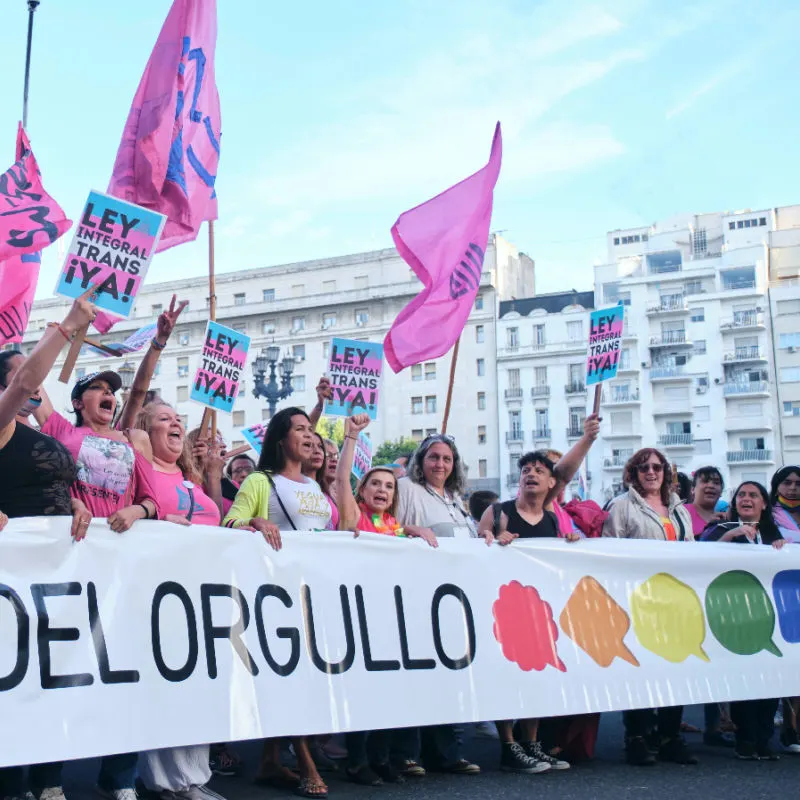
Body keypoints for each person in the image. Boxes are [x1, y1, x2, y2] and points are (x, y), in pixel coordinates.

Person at [0, 292, 96, 800]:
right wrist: (67, 327)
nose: (33, 383)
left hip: (57, 566)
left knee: (56, 670)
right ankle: (12, 782)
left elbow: (60, 483)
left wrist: (76, 507)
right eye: (22, 376)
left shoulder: (46, 433)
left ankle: (48, 778)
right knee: (15, 674)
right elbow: (24, 380)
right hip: (12, 573)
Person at [477, 416, 600, 774]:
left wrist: (570, 545)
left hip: (540, 611)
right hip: (503, 609)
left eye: (539, 470)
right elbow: (472, 553)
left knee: (537, 676)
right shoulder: (497, 512)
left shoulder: (553, 518)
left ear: (551, 483)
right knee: (507, 677)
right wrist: (491, 542)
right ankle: (508, 745)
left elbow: (565, 470)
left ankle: (532, 742)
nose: (531, 474)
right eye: (525, 470)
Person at [223, 407, 330, 798]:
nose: (308, 435)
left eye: (310, 430)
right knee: (292, 680)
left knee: (305, 679)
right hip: (277, 597)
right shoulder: (259, 481)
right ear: (280, 439)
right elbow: (228, 524)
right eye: (299, 429)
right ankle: (304, 761)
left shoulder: (314, 487)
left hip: (314, 592)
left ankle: (270, 760)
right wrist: (255, 522)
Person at [333, 414, 436, 785]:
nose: (381, 490)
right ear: (362, 492)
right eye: (374, 484)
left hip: (392, 620)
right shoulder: (352, 517)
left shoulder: (393, 528)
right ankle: (357, 761)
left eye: (388, 487)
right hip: (358, 618)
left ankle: (381, 759)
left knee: (391, 694)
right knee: (364, 695)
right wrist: (351, 438)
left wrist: (413, 530)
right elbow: (341, 478)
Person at [131, 402, 225, 800]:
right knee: (164, 686)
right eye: (163, 418)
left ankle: (193, 777)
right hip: (158, 593)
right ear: (144, 430)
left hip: (199, 594)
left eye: (177, 419)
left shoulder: (191, 478)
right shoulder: (141, 470)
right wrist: (155, 522)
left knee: (197, 689)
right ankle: (164, 781)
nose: (175, 422)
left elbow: (218, 519)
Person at [393, 433, 481, 776]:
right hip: (417, 594)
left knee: (449, 677)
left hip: (452, 598)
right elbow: (388, 527)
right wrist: (410, 529)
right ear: (421, 460)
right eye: (433, 457)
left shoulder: (455, 498)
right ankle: (406, 753)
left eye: (447, 459)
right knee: (417, 676)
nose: (440, 464)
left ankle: (446, 753)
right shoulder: (407, 489)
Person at [602, 448, 696, 766]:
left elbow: (692, 553)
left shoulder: (679, 510)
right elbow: (608, 552)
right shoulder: (622, 506)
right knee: (642, 671)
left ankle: (670, 735)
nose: (651, 472)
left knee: (676, 667)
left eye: (657, 467)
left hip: (676, 602)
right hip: (638, 601)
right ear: (633, 472)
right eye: (644, 467)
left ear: (666, 472)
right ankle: (637, 736)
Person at [701, 481, 786, 760]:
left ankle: (764, 739)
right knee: (744, 681)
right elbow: (699, 556)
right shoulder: (721, 530)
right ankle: (745, 740)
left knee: (771, 681)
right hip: (734, 618)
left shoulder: (777, 535)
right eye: (741, 495)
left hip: (769, 619)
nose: (746, 499)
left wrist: (784, 551)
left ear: (764, 503)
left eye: (753, 495)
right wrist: (732, 536)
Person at [767, 465, 800, 755]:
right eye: (787, 483)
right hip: (783, 598)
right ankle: (789, 728)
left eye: (798, 483)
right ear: (777, 485)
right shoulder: (770, 516)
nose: (792, 488)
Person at [303, 432, 338, 530]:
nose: (334, 460)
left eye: (336, 456)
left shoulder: (331, 496)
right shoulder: (297, 487)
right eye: (329, 455)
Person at [686, 466, 725, 536]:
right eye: (705, 481)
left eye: (716, 483)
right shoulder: (681, 512)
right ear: (692, 489)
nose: (711, 486)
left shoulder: (724, 521)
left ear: (721, 491)